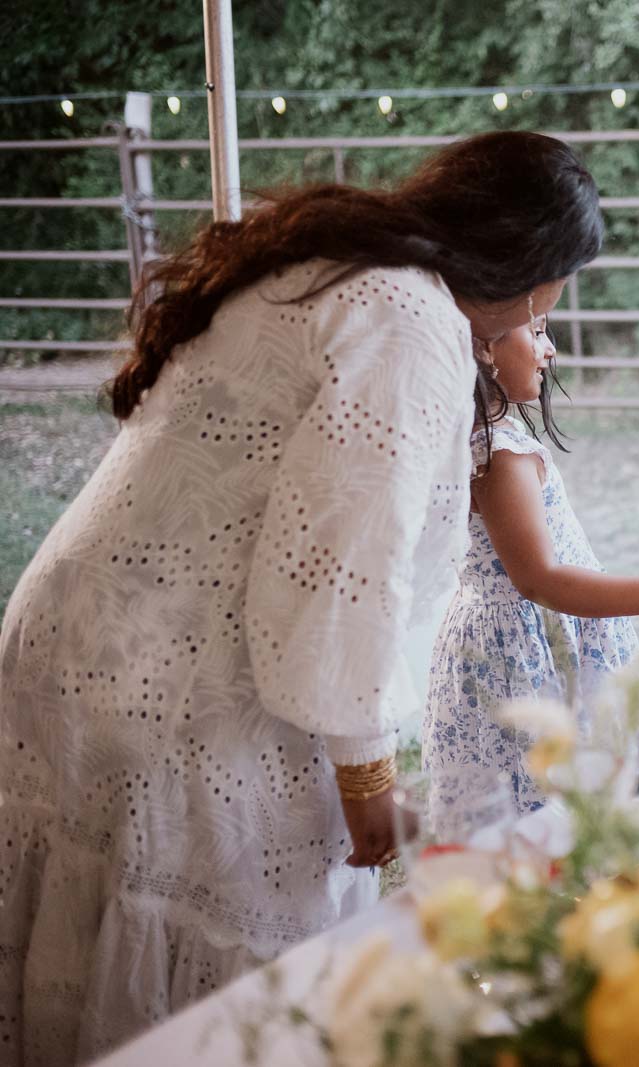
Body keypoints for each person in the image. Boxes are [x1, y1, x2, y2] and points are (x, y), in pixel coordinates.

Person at [0, 131, 606, 1064]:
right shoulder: (409, 319)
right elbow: (339, 574)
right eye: (565, 276)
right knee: (239, 972)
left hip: (84, 638)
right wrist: (367, 782)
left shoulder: (344, 264)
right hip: (168, 684)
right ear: (531, 266)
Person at [422, 310, 639, 819]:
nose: (550, 351)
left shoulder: (481, 440)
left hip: (508, 641)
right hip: (532, 656)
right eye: (538, 331)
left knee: (519, 819)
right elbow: (541, 580)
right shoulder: (500, 456)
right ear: (484, 346)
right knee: (552, 812)